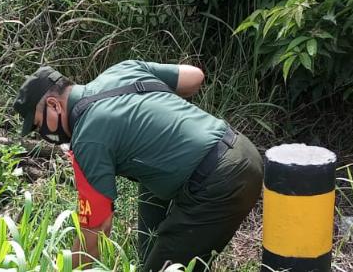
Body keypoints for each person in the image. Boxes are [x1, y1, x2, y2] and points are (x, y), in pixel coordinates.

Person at [13, 62, 262, 271]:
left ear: (54, 105)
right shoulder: (124, 69)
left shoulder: (88, 138)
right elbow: (194, 77)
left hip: (221, 181)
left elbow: (97, 227)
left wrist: (70, 267)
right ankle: (150, 258)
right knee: (150, 226)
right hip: (241, 148)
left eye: (38, 125)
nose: (43, 133)